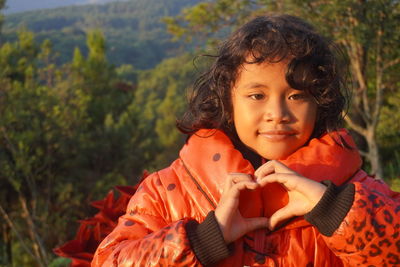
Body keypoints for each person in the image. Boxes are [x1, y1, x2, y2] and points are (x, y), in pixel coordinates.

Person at [91, 14, 400, 266]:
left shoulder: (355, 192)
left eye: (297, 96)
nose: (277, 114)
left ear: (320, 103)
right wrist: (204, 240)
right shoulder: (167, 193)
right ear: (227, 98)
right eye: (257, 95)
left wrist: (333, 210)